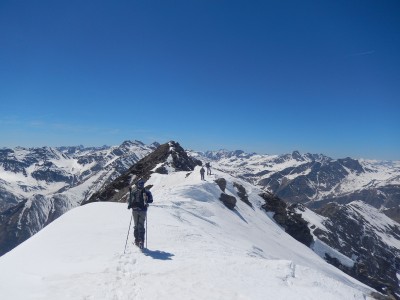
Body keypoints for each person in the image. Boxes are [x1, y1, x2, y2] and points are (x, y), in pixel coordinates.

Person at [127, 179, 153, 248]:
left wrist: (130, 205)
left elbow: (128, 200)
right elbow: (151, 200)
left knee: (136, 225)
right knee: (141, 225)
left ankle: (136, 241)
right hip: (143, 210)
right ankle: (141, 240)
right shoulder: (147, 192)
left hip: (135, 210)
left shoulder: (133, 191)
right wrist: (146, 201)